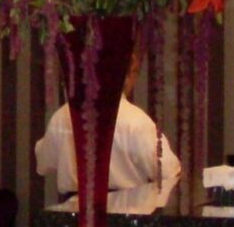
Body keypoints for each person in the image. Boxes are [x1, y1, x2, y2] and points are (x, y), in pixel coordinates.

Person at [34, 52, 181, 196]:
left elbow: (43, 163)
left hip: (73, 208)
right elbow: (169, 171)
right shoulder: (137, 121)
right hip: (126, 208)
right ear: (126, 75)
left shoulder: (62, 117)